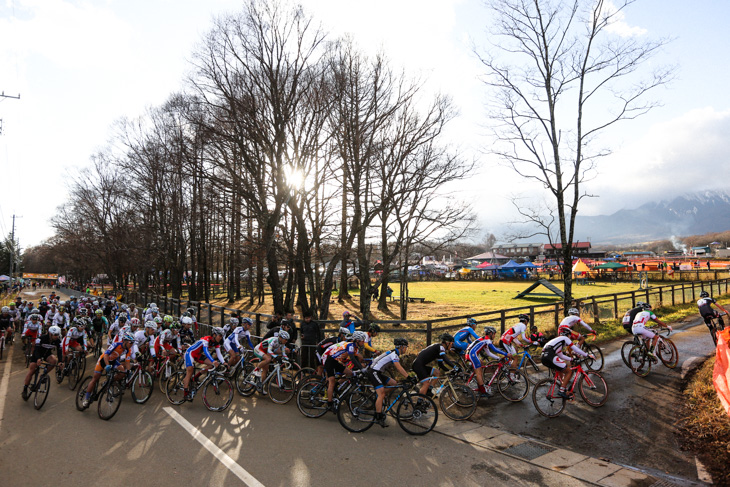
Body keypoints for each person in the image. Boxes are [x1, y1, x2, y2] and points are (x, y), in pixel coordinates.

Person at [81, 331, 135, 408]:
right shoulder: (116, 344)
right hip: (104, 360)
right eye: (131, 342)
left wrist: (129, 371)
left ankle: (108, 382)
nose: (132, 344)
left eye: (133, 343)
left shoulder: (128, 350)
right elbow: (106, 354)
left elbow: (127, 361)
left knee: (123, 371)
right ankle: (86, 398)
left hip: (113, 361)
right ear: (125, 341)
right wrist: (107, 365)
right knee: (95, 378)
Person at [367, 337, 410, 427]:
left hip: (377, 372)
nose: (406, 349)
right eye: (406, 347)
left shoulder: (393, 353)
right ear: (401, 347)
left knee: (394, 383)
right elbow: (399, 368)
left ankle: (379, 396)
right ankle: (378, 416)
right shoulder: (394, 354)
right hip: (374, 372)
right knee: (381, 394)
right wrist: (408, 377)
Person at [540, 329, 594, 399]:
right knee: (569, 371)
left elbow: (561, 356)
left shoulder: (558, 341)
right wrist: (587, 355)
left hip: (543, 357)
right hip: (550, 356)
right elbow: (576, 349)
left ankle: (564, 388)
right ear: (568, 335)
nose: (570, 339)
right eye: (570, 337)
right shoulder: (565, 338)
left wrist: (572, 359)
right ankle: (562, 390)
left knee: (560, 369)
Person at [321, 331, 366, 411]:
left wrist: (361, 369)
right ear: (357, 340)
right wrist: (362, 369)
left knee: (351, 373)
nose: (364, 342)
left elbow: (356, 359)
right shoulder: (350, 345)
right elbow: (352, 358)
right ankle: (329, 403)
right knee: (331, 381)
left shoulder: (355, 348)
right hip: (330, 360)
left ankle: (337, 385)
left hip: (336, 361)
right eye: (362, 340)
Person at [465, 326, 511, 397]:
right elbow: (495, 349)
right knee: (479, 373)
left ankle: (480, 385)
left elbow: (489, 353)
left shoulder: (484, 340)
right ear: (490, 333)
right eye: (494, 334)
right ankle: (483, 392)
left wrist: (498, 358)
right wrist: (506, 354)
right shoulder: (487, 340)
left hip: (470, 354)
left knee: (481, 364)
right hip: (472, 355)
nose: (495, 335)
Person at [182, 327, 226, 400]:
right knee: (190, 370)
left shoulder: (216, 343)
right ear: (214, 335)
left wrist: (224, 363)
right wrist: (213, 360)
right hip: (190, 353)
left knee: (211, 365)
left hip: (198, 355)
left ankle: (196, 377)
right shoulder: (206, 339)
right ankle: (185, 393)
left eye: (222, 336)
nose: (221, 338)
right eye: (220, 336)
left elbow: (219, 354)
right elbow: (206, 351)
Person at [22, 325, 62, 400]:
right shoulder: (41, 339)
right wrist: (38, 359)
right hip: (37, 354)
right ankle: (25, 388)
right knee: (32, 371)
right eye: (55, 335)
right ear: (50, 334)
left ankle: (44, 374)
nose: (57, 336)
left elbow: (59, 352)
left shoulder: (57, 341)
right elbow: (36, 350)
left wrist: (60, 362)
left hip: (47, 354)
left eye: (58, 335)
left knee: (54, 360)